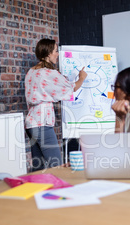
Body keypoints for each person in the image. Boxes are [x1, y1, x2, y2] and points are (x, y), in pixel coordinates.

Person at [25, 38, 87, 171]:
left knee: (38, 167)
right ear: (48, 53)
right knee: (57, 165)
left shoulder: (31, 72)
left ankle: (35, 190)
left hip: (31, 122)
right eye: (55, 51)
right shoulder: (49, 73)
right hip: (43, 123)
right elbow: (72, 88)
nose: (57, 54)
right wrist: (82, 78)